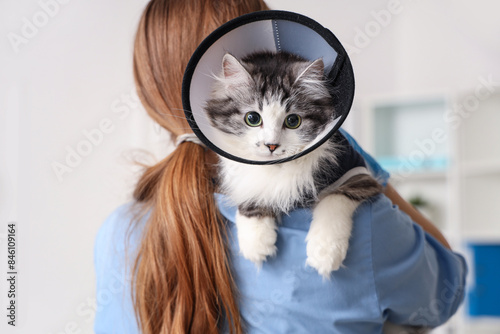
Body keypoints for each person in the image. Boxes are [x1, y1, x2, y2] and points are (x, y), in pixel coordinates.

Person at [94, 1, 467, 333]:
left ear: (146, 94)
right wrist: (361, 167)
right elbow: (447, 290)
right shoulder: (364, 225)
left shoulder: (118, 232)